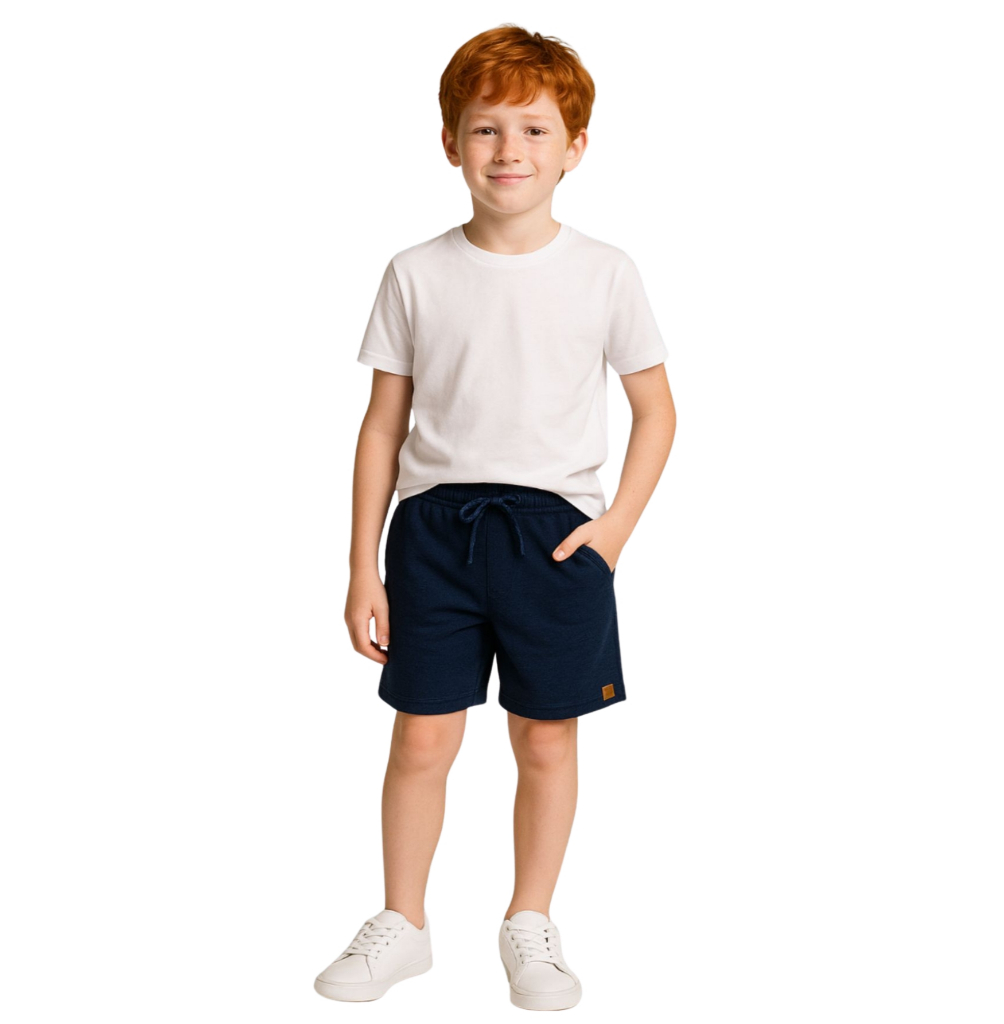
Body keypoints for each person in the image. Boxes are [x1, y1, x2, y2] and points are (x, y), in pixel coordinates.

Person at [314, 24, 675, 1011]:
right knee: (420, 740)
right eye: (485, 129)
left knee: (545, 739)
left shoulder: (605, 271)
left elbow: (656, 410)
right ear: (450, 143)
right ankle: (403, 922)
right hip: (434, 537)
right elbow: (382, 426)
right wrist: (361, 566)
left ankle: (530, 920)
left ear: (574, 147)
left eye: (533, 129)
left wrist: (613, 532)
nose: (508, 150)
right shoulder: (415, 272)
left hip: (554, 540)